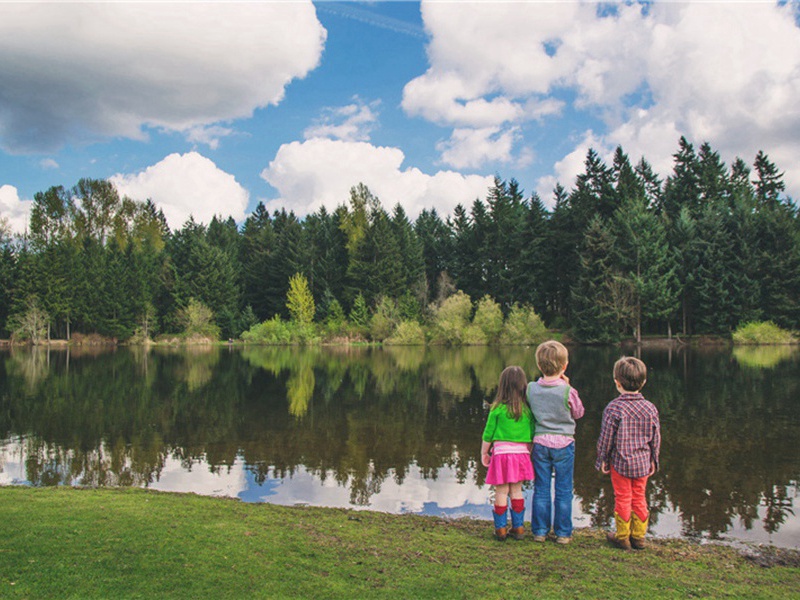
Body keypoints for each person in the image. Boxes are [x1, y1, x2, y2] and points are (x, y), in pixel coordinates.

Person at [596, 356, 661, 550]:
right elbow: (655, 438)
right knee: (639, 497)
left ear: (617, 382)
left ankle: (622, 536)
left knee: (623, 497)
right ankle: (639, 537)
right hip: (642, 463)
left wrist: (602, 459)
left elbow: (606, 438)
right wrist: (654, 460)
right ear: (644, 382)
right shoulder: (650, 408)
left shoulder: (614, 408)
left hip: (620, 463)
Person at [526, 340, 584, 544]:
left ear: (539, 366)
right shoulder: (568, 390)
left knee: (541, 488)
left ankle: (540, 531)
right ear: (564, 366)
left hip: (540, 443)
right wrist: (568, 386)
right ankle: (562, 533)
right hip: (564, 444)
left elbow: (530, 412)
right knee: (564, 489)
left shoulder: (531, 388)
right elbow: (578, 413)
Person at [481, 366, 534, 541]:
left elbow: (488, 433)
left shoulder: (497, 408)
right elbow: (532, 435)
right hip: (521, 455)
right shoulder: (527, 410)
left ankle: (501, 529)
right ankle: (518, 528)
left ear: (502, 386)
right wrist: (528, 452)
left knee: (501, 491)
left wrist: (484, 452)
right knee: (517, 491)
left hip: (502, 455)